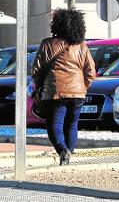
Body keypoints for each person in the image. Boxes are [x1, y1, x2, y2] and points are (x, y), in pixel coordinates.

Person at [31, 8, 95, 166]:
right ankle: (68, 156)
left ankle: (62, 151)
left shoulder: (47, 44)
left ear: (57, 25)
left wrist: (39, 86)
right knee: (72, 125)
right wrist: (82, 87)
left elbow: (36, 69)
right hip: (78, 93)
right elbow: (90, 71)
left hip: (55, 91)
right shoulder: (82, 46)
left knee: (55, 125)